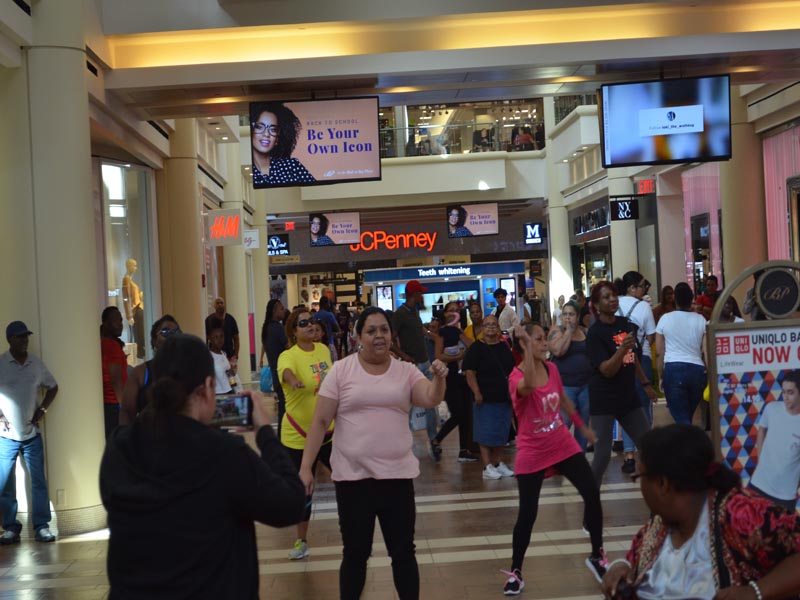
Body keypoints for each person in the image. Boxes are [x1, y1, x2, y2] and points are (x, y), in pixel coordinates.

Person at [100, 333, 305, 598]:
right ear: (208, 387)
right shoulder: (224, 452)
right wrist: (264, 431)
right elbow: (290, 504)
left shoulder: (120, 446)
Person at [298, 307, 448, 600]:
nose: (379, 336)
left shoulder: (404, 371)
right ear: (357, 337)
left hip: (397, 477)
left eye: (384, 330)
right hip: (354, 479)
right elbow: (319, 421)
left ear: (392, 335)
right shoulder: (341, 371)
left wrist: (440, 378)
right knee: (355, 553)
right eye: (371, 331)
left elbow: (430, 398)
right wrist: (305, 467)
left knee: (403, 552)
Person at [602, 423, 800, 600]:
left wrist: (756, 592)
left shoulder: (740, 513)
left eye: (640, 477)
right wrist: (621, 568)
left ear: (662, 484)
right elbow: (635, 562)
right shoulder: (659, 527)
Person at [502, 323, 605, 596]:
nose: (545, 343)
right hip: (532, 450)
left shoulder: (554, 369)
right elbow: (527, 387)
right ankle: (516, 572)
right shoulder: (516, 377)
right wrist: (525, 348)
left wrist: (582, 427)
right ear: (524, 346)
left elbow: (561, 399)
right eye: (538, 340)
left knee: (591, 492)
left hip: (561, 443)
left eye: (544, 339)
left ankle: (597, 554)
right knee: (528, 514)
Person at [586, 281, 656, 486]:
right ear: (597, 306)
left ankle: (658, 501)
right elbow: (607, 370)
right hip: (604, 400)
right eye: (606, 297)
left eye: (614, 295)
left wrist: (645, 383)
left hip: (627, 397)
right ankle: (591, 502)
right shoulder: (595, 333)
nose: (613, 299)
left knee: (649, 447)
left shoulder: (624, 323)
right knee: (602, 455)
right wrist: (622, 349)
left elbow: (631, 358)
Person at [277, 307, 333, 560]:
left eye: (312, 321)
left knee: (347, 477)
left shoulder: (323, 350)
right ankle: (301, 540)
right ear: (293, 331)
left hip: (328, 433)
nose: (310, 326)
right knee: (303, 489)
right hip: (298, 437)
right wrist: (293, 380)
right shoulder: (288, 356)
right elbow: (286, 373)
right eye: (303, 323)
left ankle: (356, 527)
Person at [0, 321, 58, 544]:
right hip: (6, 436)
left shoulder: (35, 363)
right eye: (19, 337)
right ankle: (10, 527)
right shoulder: (2, 363)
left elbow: (53, 386)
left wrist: (42, 409)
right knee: (5, 482)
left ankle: (41, 526)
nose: (24, 340)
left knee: (38, 481)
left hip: (31, 434)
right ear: (9, 340)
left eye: (26, 336)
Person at [463, 314, 515, 479]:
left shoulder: (504, 346)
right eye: (487, 325)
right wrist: (476, 391)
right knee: (485, 432)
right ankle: (487, 466)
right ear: (482, 329)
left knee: (502, 431)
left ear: (498, 328)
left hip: (503, 396)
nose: (491, 327)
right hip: (484, 398)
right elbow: (469, 371)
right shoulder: (476, 348)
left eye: (494, 324)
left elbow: (512, 370)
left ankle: (497, 462)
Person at [393, 280, 440, 461]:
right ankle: (404, 442)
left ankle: (433, 439)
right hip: (412, 366)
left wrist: (429, 335)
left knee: (430, 403)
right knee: (409, 405)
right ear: (414, 295)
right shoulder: (400, 314)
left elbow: (417, 331)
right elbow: (392, 339)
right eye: (420, 293)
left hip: (424, 363)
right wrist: (404, 356)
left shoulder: (413, 312)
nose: (422, 296)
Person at [615, 271, 657, 474]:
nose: (644, 289)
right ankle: (647, 453)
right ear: (632, 288)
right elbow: (651, 338)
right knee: (643, 406)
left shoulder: (614, 305)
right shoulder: (643, 307)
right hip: (643, 358)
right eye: (642, 286)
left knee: (626, 407)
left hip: (621, 359)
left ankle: (629, 455)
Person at [430, 301, 478, 463]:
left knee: (465, 414)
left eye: (456, 310)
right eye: (450, 310)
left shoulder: (458, 331)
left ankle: (464, 450)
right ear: (445, 314)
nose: (454, 313)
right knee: (458, 414)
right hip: (449, 377)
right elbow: (438, 355)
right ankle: (437, 439)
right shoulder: (442, 333)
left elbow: (471, 346)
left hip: (462, 377)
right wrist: (458, 356)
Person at [655, 282, 707, 425]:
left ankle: (689, 445)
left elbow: (659, 352)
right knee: (687, 415)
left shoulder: (665, 319)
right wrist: (707, 371)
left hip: (673, 369)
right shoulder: (701, 320)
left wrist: (660, 376)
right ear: (691, 299)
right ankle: (690, 443)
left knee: (682, 418)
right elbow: (706, 350)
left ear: (675, 299)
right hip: (697, 370)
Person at [749, 370, 800, 511]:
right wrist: (760, 458)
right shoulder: (771, 409)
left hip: (785, 496)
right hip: (757, 485)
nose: (785, 397)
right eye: (783, 392)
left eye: (790, 392)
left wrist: (794, 485)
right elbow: (762, 429)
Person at [548, 300, 593, 451]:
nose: (568, 318)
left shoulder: (586, 332)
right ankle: (559, 456)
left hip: (585, 386)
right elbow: (558, 351)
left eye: (571, 314)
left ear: (578, 316)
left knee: (583, 424)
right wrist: (568, 331)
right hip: (565, 386)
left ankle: (579, 456)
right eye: (565, 314)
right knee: (564, 423)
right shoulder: (556, 331)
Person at [120, 314, 181, 425]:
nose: (172, 336)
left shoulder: (186, 369)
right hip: (149, 437)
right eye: (165, 332)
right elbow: (127, 412)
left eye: (177, 333)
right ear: (154, 341)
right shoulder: (141, 372)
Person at [250, 102, 315, 186]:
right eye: (259, 127)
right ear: (251, 131)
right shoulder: (249, 170)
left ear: (277, 138)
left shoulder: (292, 167)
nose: (266, 134)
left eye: (273, 130)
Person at [260, 299, 288, 437]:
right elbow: (289, 346)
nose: (284, 310)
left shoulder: (266, 329)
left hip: (275, 374)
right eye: (281, 308)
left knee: (283, 407)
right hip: (283, 375)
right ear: (274, 311)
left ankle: (282, 436)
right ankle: (283, 438)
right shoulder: (278, 328)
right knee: (285, 408)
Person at [101, 306, 127, 439]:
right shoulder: (111, 346)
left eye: (121, 320)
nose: (120, 325)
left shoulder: (105, 343)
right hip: (113, 405)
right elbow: (116, 380)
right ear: (105, 324)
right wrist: (124, 407)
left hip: (108, 404)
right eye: (115, 321)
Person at [121, 258, 145, 359]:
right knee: (139, 335)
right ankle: (140, 355)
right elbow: (126, 298)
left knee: (140, 334)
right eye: (134, 266)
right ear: (129, 266)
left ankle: (141, 354)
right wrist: (129, 315)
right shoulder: (126, 279)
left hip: (139, 308)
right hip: (136, 310)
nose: (136, 268)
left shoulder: (130, 280)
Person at [207, 318, 238, 395]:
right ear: (210, 338)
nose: (219, 340)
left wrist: (231, 372)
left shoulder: (223, 353)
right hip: (217, 395)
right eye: (215, 337)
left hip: (229, 392)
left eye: (221, 336)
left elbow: (228, 374)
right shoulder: (208, 356)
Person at [204, 297, 239, 361]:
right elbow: (206, 338)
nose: (220, 305)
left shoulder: (231, 319)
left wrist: (236, 355)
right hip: (213, 355)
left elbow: (236, 338)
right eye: (217, 303)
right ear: (214, 306)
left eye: (221, 303)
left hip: (229, 356)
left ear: (224, 305)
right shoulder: (208, 320)